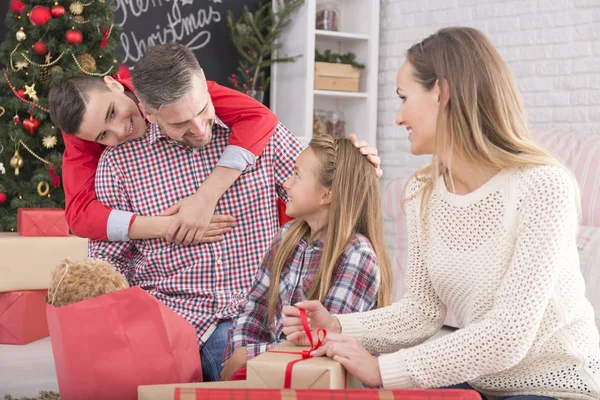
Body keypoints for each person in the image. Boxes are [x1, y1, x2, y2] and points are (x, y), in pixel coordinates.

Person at [282, 27, 600, 400]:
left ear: (442, 92)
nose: (398, 118)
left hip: (555, 386)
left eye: (403, 98)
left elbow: (507, 335)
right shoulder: (422, 192)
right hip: (480, 384)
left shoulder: (544, 186)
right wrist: (336, 325)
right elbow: (421, 311)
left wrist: (382, 369)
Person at [85, 44, 381, 382]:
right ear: (149, 114)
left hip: (257, 317)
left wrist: (356, 167)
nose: (199, 129)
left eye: (202, 110)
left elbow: (320, 188)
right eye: (180, 123)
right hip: (178, 320)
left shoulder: (258, 135)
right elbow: (108, 260)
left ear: (206, 86)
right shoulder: (119, 164)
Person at [221, 136, 392, 381]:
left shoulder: (357, 256)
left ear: (326, 195)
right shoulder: (287, 236)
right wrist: (239, 356)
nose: (287, 183)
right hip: (268, 375)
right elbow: (254, 308)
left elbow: (323, 344)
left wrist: (248, 357)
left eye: (297, 175)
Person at [49, 68, 279, 245]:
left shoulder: (166, 86)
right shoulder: (81, 136)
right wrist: (167, 226)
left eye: (112, 112)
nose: (120, 131)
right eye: (103, 135)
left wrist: (205, 198)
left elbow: (258, 116)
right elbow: (79, 216)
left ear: (114, 85)